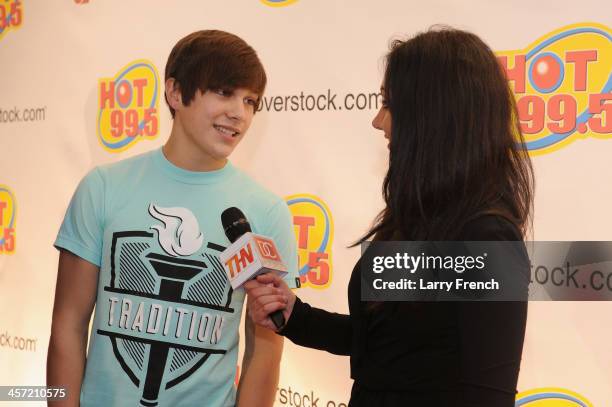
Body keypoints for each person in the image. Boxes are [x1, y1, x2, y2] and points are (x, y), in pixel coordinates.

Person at [244, 27, 534, 406]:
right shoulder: (418, 217)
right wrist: (296, 316)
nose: (378, 121)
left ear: (430, 117)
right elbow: (382, 344)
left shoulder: (488, 237)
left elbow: (489, 396)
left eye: (389, 104)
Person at [48, 30, 298, 407]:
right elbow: (67, 325)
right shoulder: (103, 188)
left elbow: (264, 351)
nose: (239, 113)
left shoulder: (266, 211)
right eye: (224, 92)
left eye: (250, 101)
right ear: (176, 93)